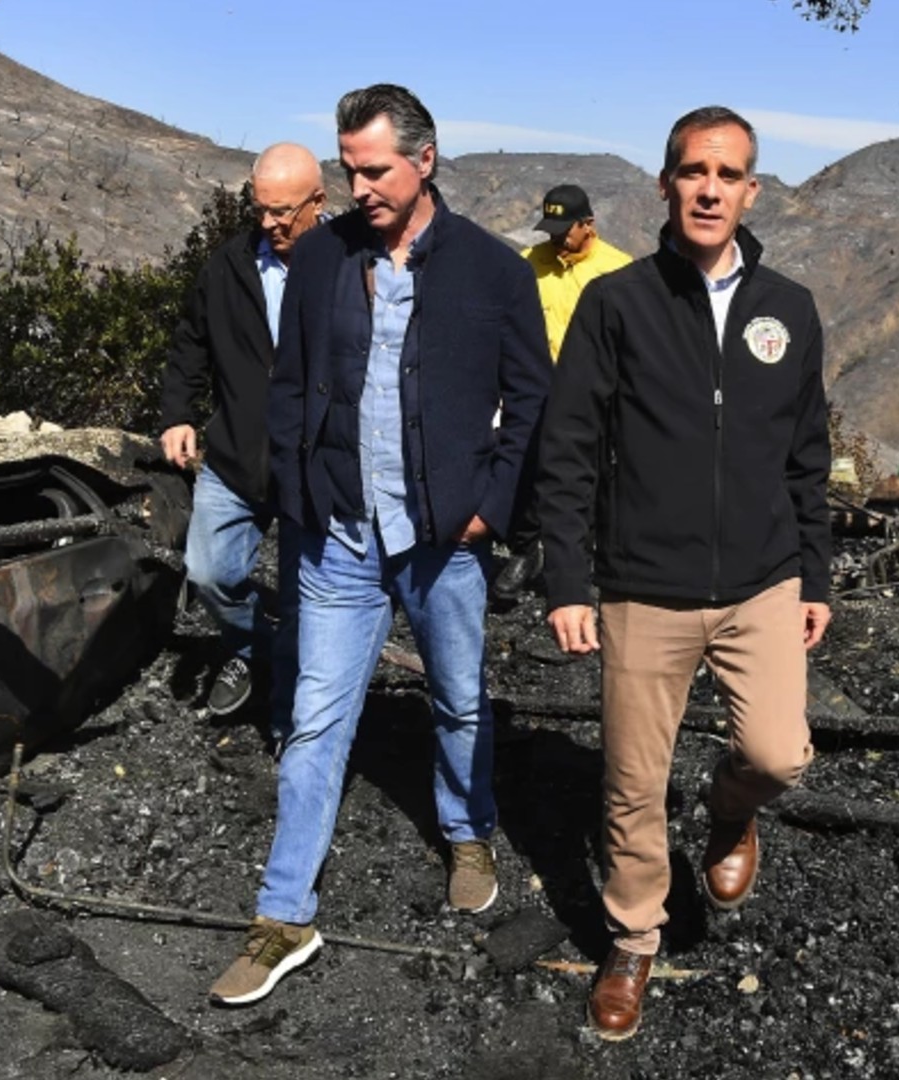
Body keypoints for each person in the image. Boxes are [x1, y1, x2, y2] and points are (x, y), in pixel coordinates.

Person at [209, 84, 551, 1006]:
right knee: (316, 719)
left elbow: (532, 401)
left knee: (458, 695)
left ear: (425, 160)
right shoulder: (322, 257)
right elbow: (290, 386)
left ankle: (468, 829)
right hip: (338, 536)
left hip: (444, 537)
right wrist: (297, 490)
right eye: (349, 169)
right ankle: (284, 914)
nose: (358, 186)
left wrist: (490, 507)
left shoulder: (491, 271)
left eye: (375, 169)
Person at [533, 106, 833, 1042]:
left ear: (751, 191)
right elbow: (569, 450)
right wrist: (568, 582)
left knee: (781, 753)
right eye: (694, 171)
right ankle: (633, 937)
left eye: (729, 173)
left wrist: (815, 575)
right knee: (630, 781)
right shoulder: (616, 303)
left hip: (761, 579)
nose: (710, 188)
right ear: (665, 185)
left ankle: (729, 813)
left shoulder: (789, 308)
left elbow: (808, 456)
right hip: (641, 586)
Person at [159, 143, 327, 722]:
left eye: (283, 211)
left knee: (308, 600)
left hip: (314, 467)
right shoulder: (226, 265)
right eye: (260, 209)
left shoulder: (350, 265)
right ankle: (250, 648)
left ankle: (291, 717)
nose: (269, 223)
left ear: (318, 203)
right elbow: (191, 343)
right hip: (236, 454)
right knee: (207, 570)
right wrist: (178, 413)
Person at [492, 183, 634, 601]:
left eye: (563, 230)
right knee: (523, 468)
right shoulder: (528, 265)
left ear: (588, 225)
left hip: (595, 394)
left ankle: (579, 566)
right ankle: (524, 551)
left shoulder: (618, 271)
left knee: (586, 479)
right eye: (549, 230)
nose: (555, 239)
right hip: (535, 390)